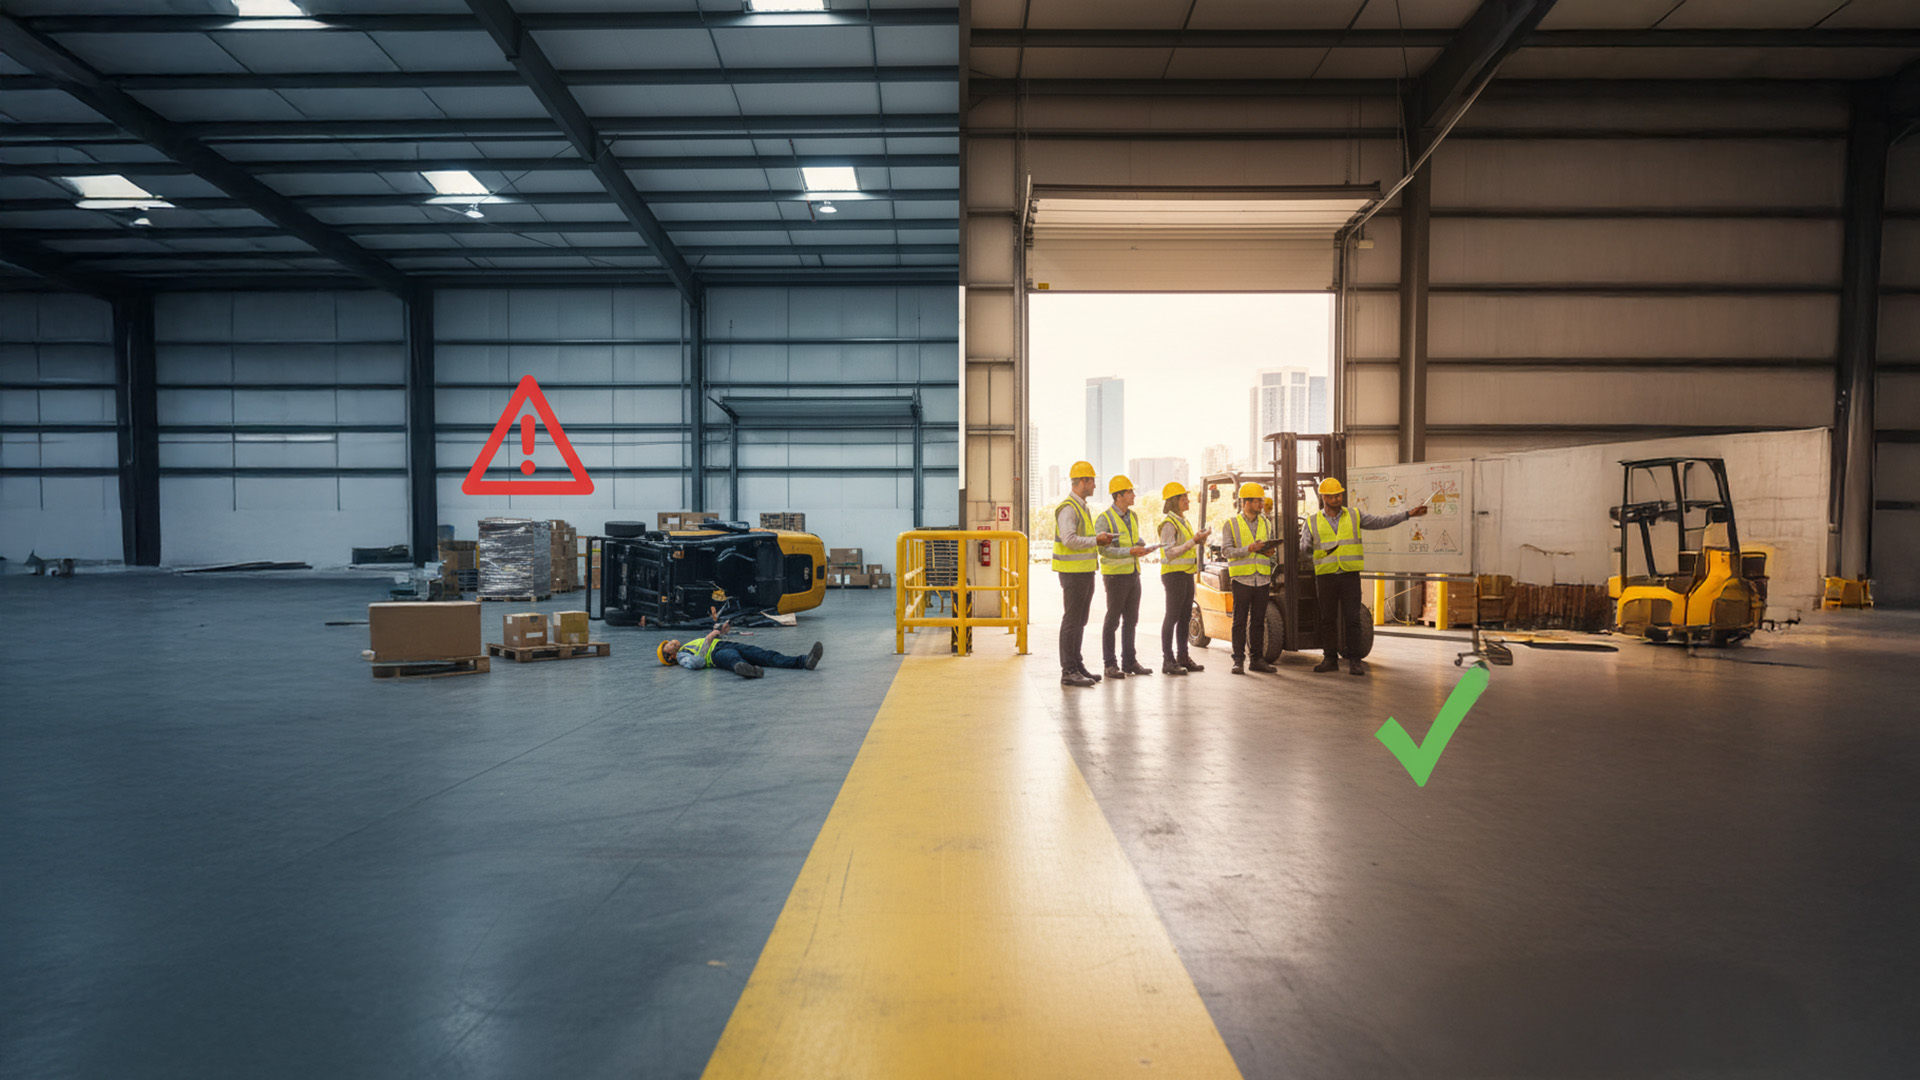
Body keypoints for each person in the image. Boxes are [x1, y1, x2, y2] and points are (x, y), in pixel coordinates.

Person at [1310, 477, 1427, 676]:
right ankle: (1330, 659)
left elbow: (1381, 521)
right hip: (1326, 576)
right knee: (1327, 619)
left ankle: (1355, 661)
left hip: (1349, 575)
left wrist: (1408, 514)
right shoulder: (1313, 521)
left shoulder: (1354, 515)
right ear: (1324, 497)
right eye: (1333, 496)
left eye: (1339, 495)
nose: (1338, 499)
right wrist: (1313, 550)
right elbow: (1304, 546)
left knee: (1353, 618)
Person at [1052, 460, 1117, 688]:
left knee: (1080, 620)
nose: (1094, 486)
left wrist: (1099, 540)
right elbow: (1069, 540)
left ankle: (1076, 665)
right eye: (1092, 481)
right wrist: (1096, 539)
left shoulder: (1082, 507)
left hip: (1084, 572)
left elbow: (1081, 540)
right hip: (1073, 574)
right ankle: (1068, 670)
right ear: (1082, 482)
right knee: (1071, 621)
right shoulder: (1068, 508)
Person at [1095, 475, 1156, 680]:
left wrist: (1142, 546)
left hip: (1133, 573)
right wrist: (1130, 551)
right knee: (1112, 621)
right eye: (1130, 492)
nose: (1134, 495)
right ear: (1119, 495)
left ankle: (1129, 662)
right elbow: (1105, 551)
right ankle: (1109, 664)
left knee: (1131, 620)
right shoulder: (1105, 518)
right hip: (1115, 576)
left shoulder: (1134, 516)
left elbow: (1132, 539)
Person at [1220, 481, 1280, 676]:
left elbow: (1267, 550)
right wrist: (1249, 549)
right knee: (1239, 621)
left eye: (1261, 501)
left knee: (1258, 621)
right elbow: (1226, 551)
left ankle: (1257, 660)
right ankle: (1238, 660)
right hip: (1242, 580)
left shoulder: (1266, 522)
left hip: (1262, 578)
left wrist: (1269, 552)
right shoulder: (1231, 524)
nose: (1261, 505)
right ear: (1245, 502)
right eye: (1257, 501)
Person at [657, 614, 824, 678]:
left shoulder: (687, 645)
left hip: (723, 643)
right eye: (668, 646)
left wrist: (721, 631)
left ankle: (804, 661)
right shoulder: (681, 657)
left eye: (669, 642)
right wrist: (709, 639)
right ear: (670, 656)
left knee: (765, 655)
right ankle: (746, 670)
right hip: (716, 655)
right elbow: (697, 663)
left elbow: (710, 640)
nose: (671, 642)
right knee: (732, 659)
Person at [1157, 481, 1211, 675]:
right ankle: (1168, 660)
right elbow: (1168, 553)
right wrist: (1192, 541)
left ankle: (1183, 656)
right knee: (1172, 617)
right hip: (1173, 576)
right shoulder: (1169, 524)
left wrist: (1199, 539)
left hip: (1186, 574)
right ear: (1174, 501)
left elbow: (1187, 546)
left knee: (1185, 617)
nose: (1188, 500)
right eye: (1184, 498)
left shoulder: (1183, 521)